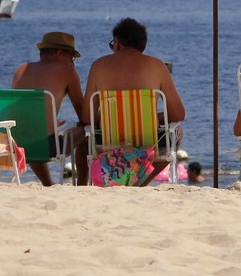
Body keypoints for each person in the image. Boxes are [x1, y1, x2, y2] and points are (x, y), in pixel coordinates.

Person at [83, 18, 185, 185]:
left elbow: (88, 118)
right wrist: (152, 117)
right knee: (178, 130)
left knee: (84, 132)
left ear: (117, 43)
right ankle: (143, 183)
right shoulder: (158, 66)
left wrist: (112, 116)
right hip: (148, 145)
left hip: (109, 144)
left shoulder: (98, 66)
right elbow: (178, 114)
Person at [11, 31, 89, 186]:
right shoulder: (68, 72)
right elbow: (84, 116)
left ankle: (48, 184)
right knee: (85, 131)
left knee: (32, 134)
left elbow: (21, 114)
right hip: (47, 147)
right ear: (59, 54)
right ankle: (81, 186)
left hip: (15, 144)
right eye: (71, 58)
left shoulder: (21, 69)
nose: (72, 63)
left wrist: (48, 122)